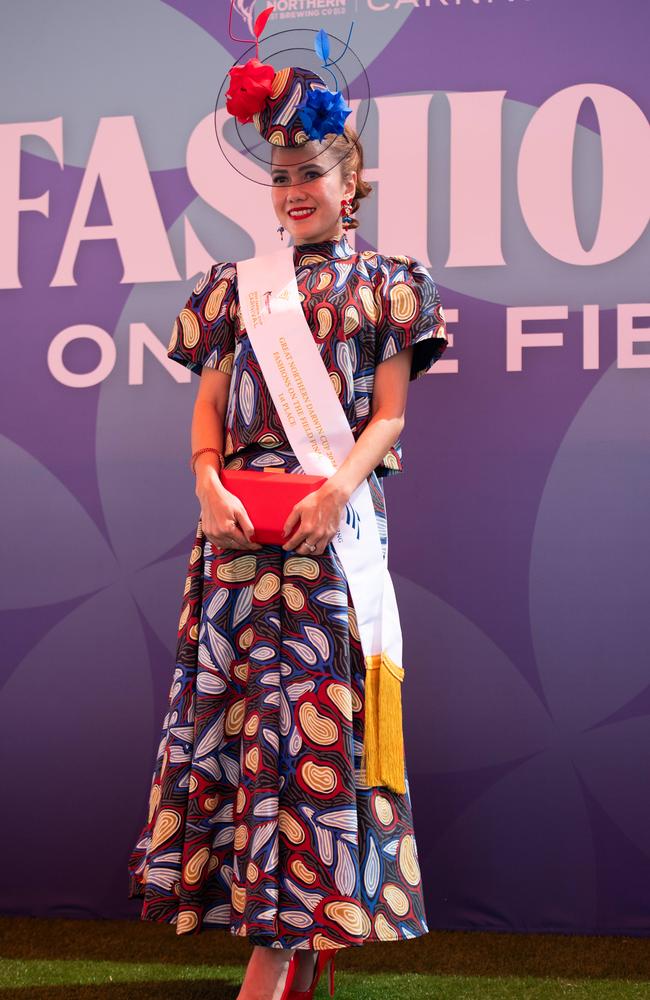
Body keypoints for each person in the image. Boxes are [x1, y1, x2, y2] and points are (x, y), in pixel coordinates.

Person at [128, 10, 448, 1000]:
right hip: (233, 536)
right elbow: (208, 416)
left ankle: (284, 946)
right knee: (238, 729)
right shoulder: (233, 288)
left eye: (310, 173)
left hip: (329, 529)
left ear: (349, 185)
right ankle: (284, 940)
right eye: (279, 177)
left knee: (314, 731)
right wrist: (206, 486)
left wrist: (335, 492)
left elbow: (387, 418)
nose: (293, 192)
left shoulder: (392, 286)